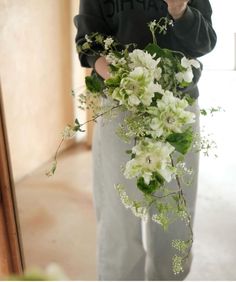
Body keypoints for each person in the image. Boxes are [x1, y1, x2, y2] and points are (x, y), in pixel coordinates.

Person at [74, 0, 217, 280]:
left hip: (177, 107)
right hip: (120, 105)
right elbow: (88, 40)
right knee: (119, 211)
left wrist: (180, 12)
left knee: (175, 212)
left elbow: (205, 41)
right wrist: (124, 80)